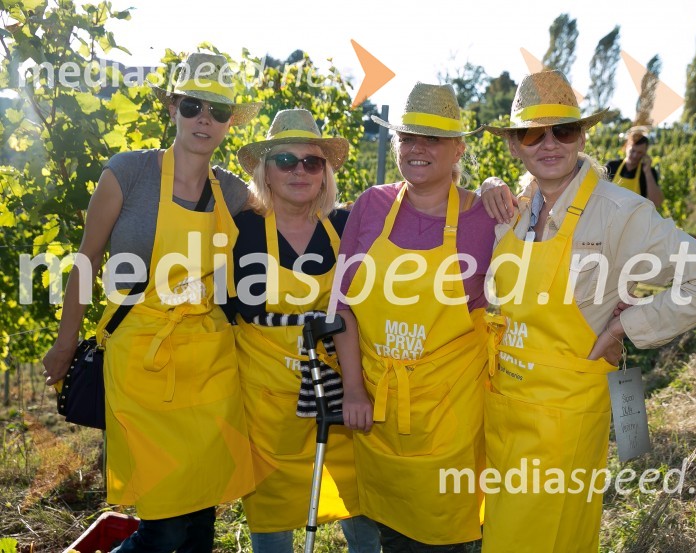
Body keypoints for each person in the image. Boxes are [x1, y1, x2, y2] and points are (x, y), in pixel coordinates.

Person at [478, 70, 696, 552]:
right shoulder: (515, 209)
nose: (549, 144)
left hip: (565, 419)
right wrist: (488, 184)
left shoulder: (619, 212)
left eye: (564, 131)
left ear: (582, 137)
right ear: (514, 145)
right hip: (505, 409)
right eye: (533, 134)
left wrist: (625, 325)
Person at [42, 53, 262, 552]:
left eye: (218, 111)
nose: (204, 119)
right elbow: (86, 261)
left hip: (208, 364)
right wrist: (64, 343)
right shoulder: (129, 173)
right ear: (172, 108)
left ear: (230, 122)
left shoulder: (234, 193)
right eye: (193, 105)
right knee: (164, 527)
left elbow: (296, 212)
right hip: (140, 360)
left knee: (200, 519)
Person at [332, 83, 496, 551]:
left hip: (452, 414)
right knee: (393, 533)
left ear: (458, 149)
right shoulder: (371, 205)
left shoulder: (487, 216)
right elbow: (342, 305)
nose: (417, 148)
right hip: (377, 410)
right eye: (408, 138)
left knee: (448, 536)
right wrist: (354, 389)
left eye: (433, 139)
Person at [228, 109, 379, 552]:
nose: (299, 171)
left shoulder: (345, 226)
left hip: (338, 386)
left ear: (325, 172)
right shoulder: (239, 229)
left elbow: (350, 310)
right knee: (272, 509)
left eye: (312, 162)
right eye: (285, 160)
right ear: (265, 171)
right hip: (265, 398)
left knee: (360, 504)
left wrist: (356, 390)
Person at [605, 126, 664, 207]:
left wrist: (647, 172)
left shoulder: (648, 172)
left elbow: (657, 202)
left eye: (640, 152)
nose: (635, 155)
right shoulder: (612, 166)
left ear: (645, 152)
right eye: (632, 151)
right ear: (626, 147)